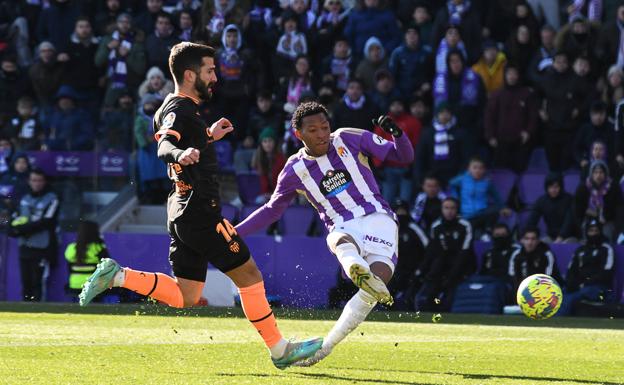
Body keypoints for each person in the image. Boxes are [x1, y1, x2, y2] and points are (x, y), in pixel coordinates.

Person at [79, 42, 322, 369]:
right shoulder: (181, 110)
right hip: (201, 211)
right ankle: (280, 350)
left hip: (180, 209)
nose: (215, 77)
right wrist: (178, 153)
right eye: (209, 70)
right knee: (249, 276)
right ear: (190, 74)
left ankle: (118, 277)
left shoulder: (170, 106)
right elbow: (165, 144)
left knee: (186, 296)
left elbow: (172, 134)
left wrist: (207, 136)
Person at [235, 101, 414, 365]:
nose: (321, 134)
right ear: (299, 134)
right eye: (313, 130)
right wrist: (235, 232)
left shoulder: (349, 138)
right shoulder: (294, 169)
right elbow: (273, 209)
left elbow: (404, 156)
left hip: (378, 217)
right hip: (342, 225)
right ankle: (355, 266)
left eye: (324, 127)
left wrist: (397, 134)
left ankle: (325, 346)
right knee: (339, 238)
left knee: (378, 281)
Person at [8, 169, 59, 302]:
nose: (36, 183)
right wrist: (14, 229)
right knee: (26, 282)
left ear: (44, 181)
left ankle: (39, 309)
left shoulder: (52, 198)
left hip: (42, 247)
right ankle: (26, 309)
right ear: (29, 181)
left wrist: (21, 230)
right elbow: (13, 219)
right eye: (34, 180)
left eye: (39, 180)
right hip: (24, 246)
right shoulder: (24, 199)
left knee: (39, 281)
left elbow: (47, 221)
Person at [415, 197, 473, 311]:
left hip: (461, 267)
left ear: (457, 210)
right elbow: (432, 251)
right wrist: (422, 270)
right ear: (442, 209)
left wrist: (452, 275)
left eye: (452, 208)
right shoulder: (436, 226)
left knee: (450, 295)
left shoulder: (465, 226)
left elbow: (464, 253)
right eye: (446, 208)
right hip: (440, 267)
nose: (449, 211)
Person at [484, 64, 538, 173]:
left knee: (520, 172)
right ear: (505, 75)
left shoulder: (526, 94)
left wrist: (528, 132)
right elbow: (489, 116)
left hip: (520, 141)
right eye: (509, 74)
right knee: (502, 173)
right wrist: (490, 136)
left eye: (514, 73)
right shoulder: (497, 94)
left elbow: (532, 116)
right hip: (501, 142)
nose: (512, 76)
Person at [559, 219, 615, 316]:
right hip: (579, 286)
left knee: (575, 296)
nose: (593, 234)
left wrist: (585, 283)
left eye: (596, 231)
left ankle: (558, 319)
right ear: (586, 232)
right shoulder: (580, 250)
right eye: (591, 231)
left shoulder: (606, 249)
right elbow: (571, 270)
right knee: (562, 291)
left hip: (598, 287)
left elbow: (606, 273)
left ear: (600, 232)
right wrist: (572, 283)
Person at [449, 156, 507, 237]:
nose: (477, 170)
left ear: (484, 170)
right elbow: (451, 184)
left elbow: (496, 196)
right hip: (466, 214)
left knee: (495, 211)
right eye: (475, 167)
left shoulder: (486, 182)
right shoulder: (462, 179)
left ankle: (487, 232)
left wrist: (503, 207)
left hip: (481, 213)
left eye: (480, 168)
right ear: (469, 169)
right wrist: (455, 198)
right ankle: (480, 234)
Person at [387, 199, 428, 310]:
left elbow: (428, 248)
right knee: (386, 296)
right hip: (395, 270)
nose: (400, 214)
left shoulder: (413, 228)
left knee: (409, 298)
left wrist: (420, 269)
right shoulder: (387, 228)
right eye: (398, 211)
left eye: (403, 211)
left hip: (413, 271)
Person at [414, 102, 467, 187]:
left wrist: (460, 174)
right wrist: (420, 177)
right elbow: (420, 156)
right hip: (431, 176)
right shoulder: (427, 133)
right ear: (436, 115)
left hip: (454, 175)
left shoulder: (459, 133)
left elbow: (465, 156)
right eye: (442, 113)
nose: (445, 115)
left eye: (447, 112)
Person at [574, 160, 620, 241]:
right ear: (591, 174)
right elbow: (577, 209)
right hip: (589, 219)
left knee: (607, 234)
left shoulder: (613, 187)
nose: (598, 175)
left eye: (601, 172)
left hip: (607, 220)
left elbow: (618, 208)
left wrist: (603, 216)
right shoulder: (583, 188)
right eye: (595, 172)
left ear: (606, 174)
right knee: (587, 233)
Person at [64, 220, 110, 300]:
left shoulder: (71, 248)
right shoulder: (98, 248)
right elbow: (108, 268)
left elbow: (69, 269)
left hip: (74, 286)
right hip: (94, 287)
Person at [528, 172, 576, 242]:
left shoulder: (569, 199)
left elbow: (569, 221)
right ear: (546, 187)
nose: (553, 190)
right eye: (550, 187)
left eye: (556, 187)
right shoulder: (541, 201)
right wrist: (526, 235)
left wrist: (561, 237)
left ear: (561, 187)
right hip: (551, 236)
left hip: (570, 236)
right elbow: (532, 220)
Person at [251, 127, 286, 204]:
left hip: (279, 194)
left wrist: (274, 194)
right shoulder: (259, 158)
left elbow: (283, 182)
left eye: (270, 141)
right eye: (265, 141)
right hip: (264, 194)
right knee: (258, 201)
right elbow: (261, 181)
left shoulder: (281, 159)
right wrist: (266, 194)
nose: (267, 144)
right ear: (261, 144)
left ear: (274, 142)